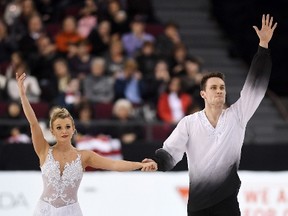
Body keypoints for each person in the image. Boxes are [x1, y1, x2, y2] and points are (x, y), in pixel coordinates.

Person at [143, 14, 277, 215]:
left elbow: (254, 88)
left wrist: (263, 47)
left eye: (222, 87)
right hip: (198, 206)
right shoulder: (189, 123)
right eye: (214, 87)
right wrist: (157, 162)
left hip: (228, 204)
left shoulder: (237, 116)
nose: (220, 91)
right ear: (203, 94)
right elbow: (171, 152)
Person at [16, 72, 157, 216]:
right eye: (59, 127)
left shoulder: (84, 156)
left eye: (67, 126)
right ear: (52, 131)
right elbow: (33, 123)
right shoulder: (44, 150)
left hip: (71, 212)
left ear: (73, 129)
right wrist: (23, 96)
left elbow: (114, 164)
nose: (64, 131)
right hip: (44, 211)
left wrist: (140, 165)